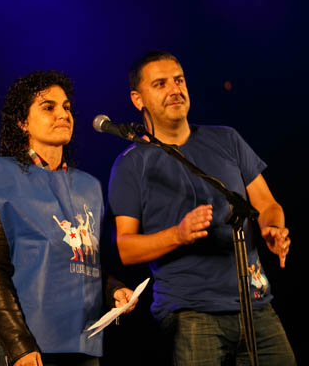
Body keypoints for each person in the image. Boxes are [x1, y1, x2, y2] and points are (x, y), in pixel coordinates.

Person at [107, 51, 295, 364]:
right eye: (161, 84)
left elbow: (267, 204)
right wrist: (178, 235)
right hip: (191, 313)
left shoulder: (227, 139)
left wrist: (272, 228)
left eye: (179, 80)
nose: (175, 89)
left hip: (256, 305)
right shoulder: (131, 164)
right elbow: (125, 248)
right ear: (138, 99)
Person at [0, 71, 136, 366]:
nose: (63, 114)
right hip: (25, 346)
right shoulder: (1, 177)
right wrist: (19, 345)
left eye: (66, 107)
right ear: (22, 122)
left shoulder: (88, 187)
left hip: (81, 343)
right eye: (49, 107)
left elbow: (82, 264)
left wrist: (112, 290)